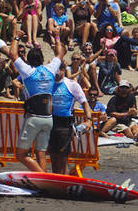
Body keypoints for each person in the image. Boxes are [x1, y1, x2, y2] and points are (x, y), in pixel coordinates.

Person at [8, 27, 65, 172]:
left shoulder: (27, 71)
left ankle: (42, 176)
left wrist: (16, 37)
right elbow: (60, 53)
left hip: (33, 118)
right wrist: (57, 37)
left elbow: (12, 54)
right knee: (41, 152)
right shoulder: (50, 69)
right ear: (42, 60)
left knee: (21, 155)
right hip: (48, 119)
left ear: (28, 60)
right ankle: (44, 179)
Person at [50, 59, 92, 174]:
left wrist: (89, 120)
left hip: (65, 124)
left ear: (63, 70)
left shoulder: (72, 84)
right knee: (53, 156)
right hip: (50, 122)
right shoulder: (48, 83)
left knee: (63, 156)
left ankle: (64, 179)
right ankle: (55, 180)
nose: (55, 72)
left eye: (58, 69)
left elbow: (85, 103)